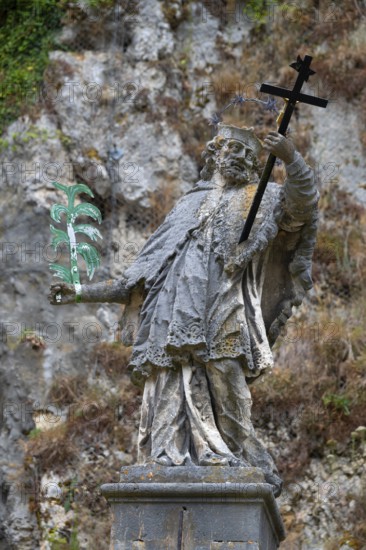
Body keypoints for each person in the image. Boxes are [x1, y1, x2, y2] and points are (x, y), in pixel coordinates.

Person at [49, 125, 319, 495]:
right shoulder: (186, 206)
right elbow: (136, 278)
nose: (238, 157)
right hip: (169, 310)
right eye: (231, 150)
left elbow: (302, 206)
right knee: (167, 379)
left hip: (224, 303)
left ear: (255, 166)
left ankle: (245, 458)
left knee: (226, 373)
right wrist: (80, 292)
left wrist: (291, 158)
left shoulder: (264, 198)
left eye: (246, 154)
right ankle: (168, 457)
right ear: (214, 156)